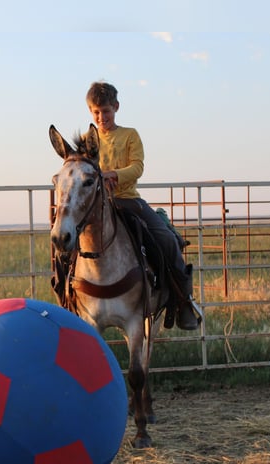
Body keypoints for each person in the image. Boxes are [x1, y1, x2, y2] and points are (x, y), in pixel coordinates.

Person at [85, 81, 200, 330]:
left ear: (115, 107)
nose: (101, 117)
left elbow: (137, 167)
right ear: (90, 112)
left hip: (128, 200)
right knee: (66, 242)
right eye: (96, 112)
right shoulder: (88, 140)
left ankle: (183, 302)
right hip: (96, 207)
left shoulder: (130, 135)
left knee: (168, 241)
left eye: (106, 111)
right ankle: (67, 300)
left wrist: (111, 174)